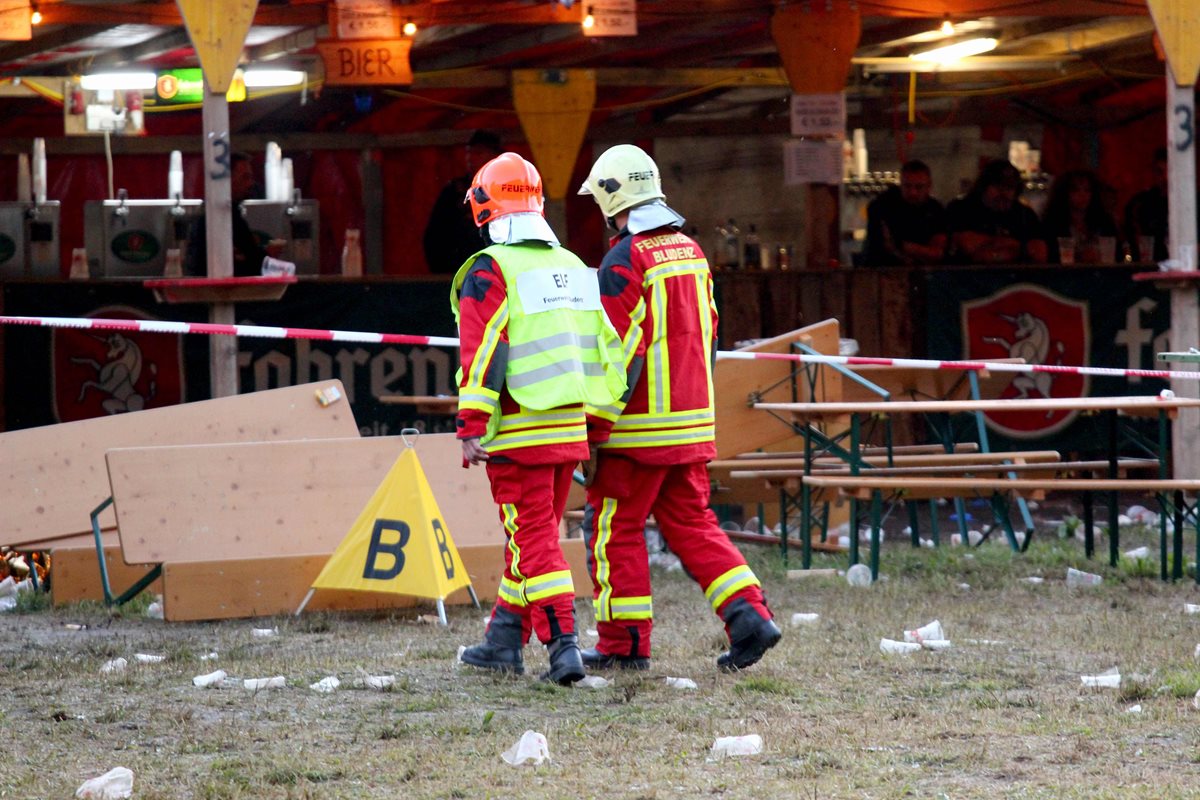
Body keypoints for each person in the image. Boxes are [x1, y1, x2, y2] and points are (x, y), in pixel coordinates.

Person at [576, 144, 781, 672]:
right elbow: (710, 334)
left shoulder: (624, 259)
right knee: (694, 525)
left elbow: (618, 353)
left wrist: (592, 429)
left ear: (610, 201)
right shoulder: (691, 251)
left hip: (634, 434)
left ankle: (623, 646)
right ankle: (750, 617)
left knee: (612, 529)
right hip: (689, 425)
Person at [453, 152, 627, 686]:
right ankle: (503, 640)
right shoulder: (575, 267)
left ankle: (563, 647)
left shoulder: (491, 269)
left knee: (533, 541)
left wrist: (471, 425)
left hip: (519, 434)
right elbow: (608, 351)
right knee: (534, 538)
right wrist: (597, 425)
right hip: (569, 429)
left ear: (485, 208)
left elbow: (483, 351)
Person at [185, 152, 284, 277]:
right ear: (228, 179)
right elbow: (253, 261)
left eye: (251, 178)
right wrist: (268, 255)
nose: (251, 184)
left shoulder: (215, 211)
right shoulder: (223, 216)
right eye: (245, 177)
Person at [423, 130, 505, 275]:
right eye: (469, 152)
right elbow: (434, 237)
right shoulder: (454, 191)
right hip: (458, 273)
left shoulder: (507, 190)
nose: (471, 158)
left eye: (478, 153)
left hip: (497, 272)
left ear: (495, 157)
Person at [945, 159, 1047, 264]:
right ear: (984, 187)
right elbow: (967, 245)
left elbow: (1040, 254)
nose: (1003, 193)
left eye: (1009, 187)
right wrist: (1017, 247)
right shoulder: (962, 209)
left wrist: (990, 245)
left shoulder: (1024, 214)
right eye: (997, 186)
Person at [863, 160, 947, 266]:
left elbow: (938, 253)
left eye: (919, 187)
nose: (913, 192)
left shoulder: (935, 210)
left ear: (929, 187)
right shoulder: (884, 205)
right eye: (907, 186)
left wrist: (904, 247)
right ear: (901, 184)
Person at [1041, 169, 1120, 264]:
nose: (1082, 195)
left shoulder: (1104, 222)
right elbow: (1050, 258)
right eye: (1076, 190)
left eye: (1087, 190)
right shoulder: (1053, 224)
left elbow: (1117, 253)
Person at [1123, 147, 1168, 263]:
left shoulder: (1193, 203)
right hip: (1148, 269)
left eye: (1171, 171)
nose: (1165, 178)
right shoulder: (1140, 203)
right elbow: (1127, 246)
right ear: (1153, 173)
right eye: (1160, 172)